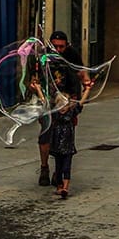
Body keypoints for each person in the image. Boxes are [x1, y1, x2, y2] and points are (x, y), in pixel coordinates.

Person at [38, 30, 85, 187]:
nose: (58, 50)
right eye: (55, 46)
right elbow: (35, 79)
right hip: (47, 102)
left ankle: (58, 173)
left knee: (64, 138)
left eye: (62, 47)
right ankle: (44, 168)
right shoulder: (43, 55)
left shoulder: (72, 55)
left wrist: (78, 98)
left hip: (66, 103)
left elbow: (82, 75)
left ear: (67, 45)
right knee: (45, 136)